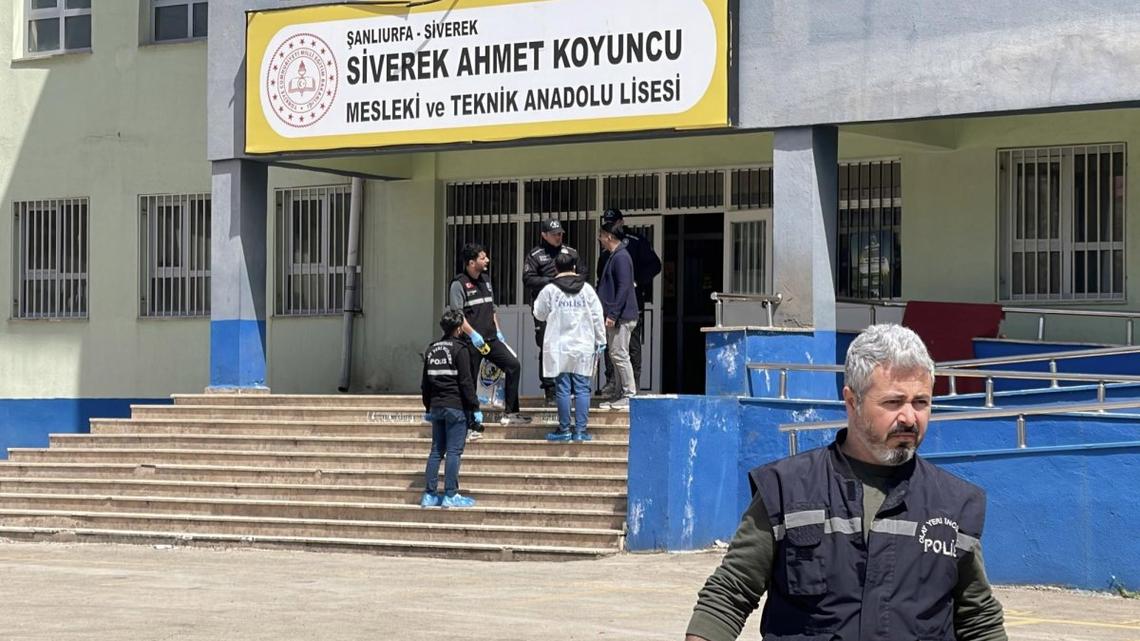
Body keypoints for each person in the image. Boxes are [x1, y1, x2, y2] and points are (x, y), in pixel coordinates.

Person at [685, 324, 1007, 641]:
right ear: (852, 402)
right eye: (894, 402)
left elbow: (979, 620)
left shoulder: (953, 505)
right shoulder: (786, 490)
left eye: (921, 402)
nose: (910, 418)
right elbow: (729, 594)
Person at [448, 243, 530, 436]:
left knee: (513, 366)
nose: (487, 260)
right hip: (471, 342)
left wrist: (498, 331)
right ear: (471, 262)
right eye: (482, 258)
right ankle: (469, 425)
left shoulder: (485, 280)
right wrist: (473, 335)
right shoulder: (458, 284)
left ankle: (511, 413)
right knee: (468, 381)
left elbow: (491, 309)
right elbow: (458, 316)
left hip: (491, 339)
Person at [532, 252, 606, 441]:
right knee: (582, 388)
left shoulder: (550, 290)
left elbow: (539, 314)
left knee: (563, 389)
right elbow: (597, 315)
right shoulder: (587, 289)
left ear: (555, 268)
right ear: (574, 267)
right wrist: (601, 340)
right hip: (583, 345)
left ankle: (564, 430)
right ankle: (580, 431)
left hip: (559, 346)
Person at [595, 208, 661, 398]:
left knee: (628, 347)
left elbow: (653, 266)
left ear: (620, 223)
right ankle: (614, 384)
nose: (601, 238)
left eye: (613, 222)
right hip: (612, 306)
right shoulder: (609, 251)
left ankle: (631, 387)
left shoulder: (632, 245)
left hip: (627, 306)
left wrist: (637, 281)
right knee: (613, 349)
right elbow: (603, 275)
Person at [419, 308, 480, 509]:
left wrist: (428, 407)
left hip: (436, 407)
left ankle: (429, 495)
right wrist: (475, 407)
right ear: (459, 328)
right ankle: (451, 494)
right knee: (454, 451)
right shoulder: (460, 349)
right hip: (455, 407)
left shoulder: (431, 349)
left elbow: (425, 384)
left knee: (436, 451)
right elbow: (466, 382)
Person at [523, 219, 586, 406]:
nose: (558, 237)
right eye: (554, 234)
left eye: (560, 234)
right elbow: (528, 279)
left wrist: (569, 283)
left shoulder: (570, 252)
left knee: (570, 345)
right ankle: (550, 390)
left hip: (569, 308)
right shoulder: (536, 255)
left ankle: (570, 388)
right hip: (545, 309)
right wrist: (551, 281)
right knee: (547, 346)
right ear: (544, 235)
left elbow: (583, 274)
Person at [596, 217, 639, 410]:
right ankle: (620, 394)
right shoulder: (614, 255)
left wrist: (613, 314)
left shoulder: (621, 257)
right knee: (615, 355)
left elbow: (623, 288)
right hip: (617, 315)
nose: (599, 239)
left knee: (619, 354)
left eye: (601, 235)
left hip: (622, 317)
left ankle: (629, 394)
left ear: (609, 236)